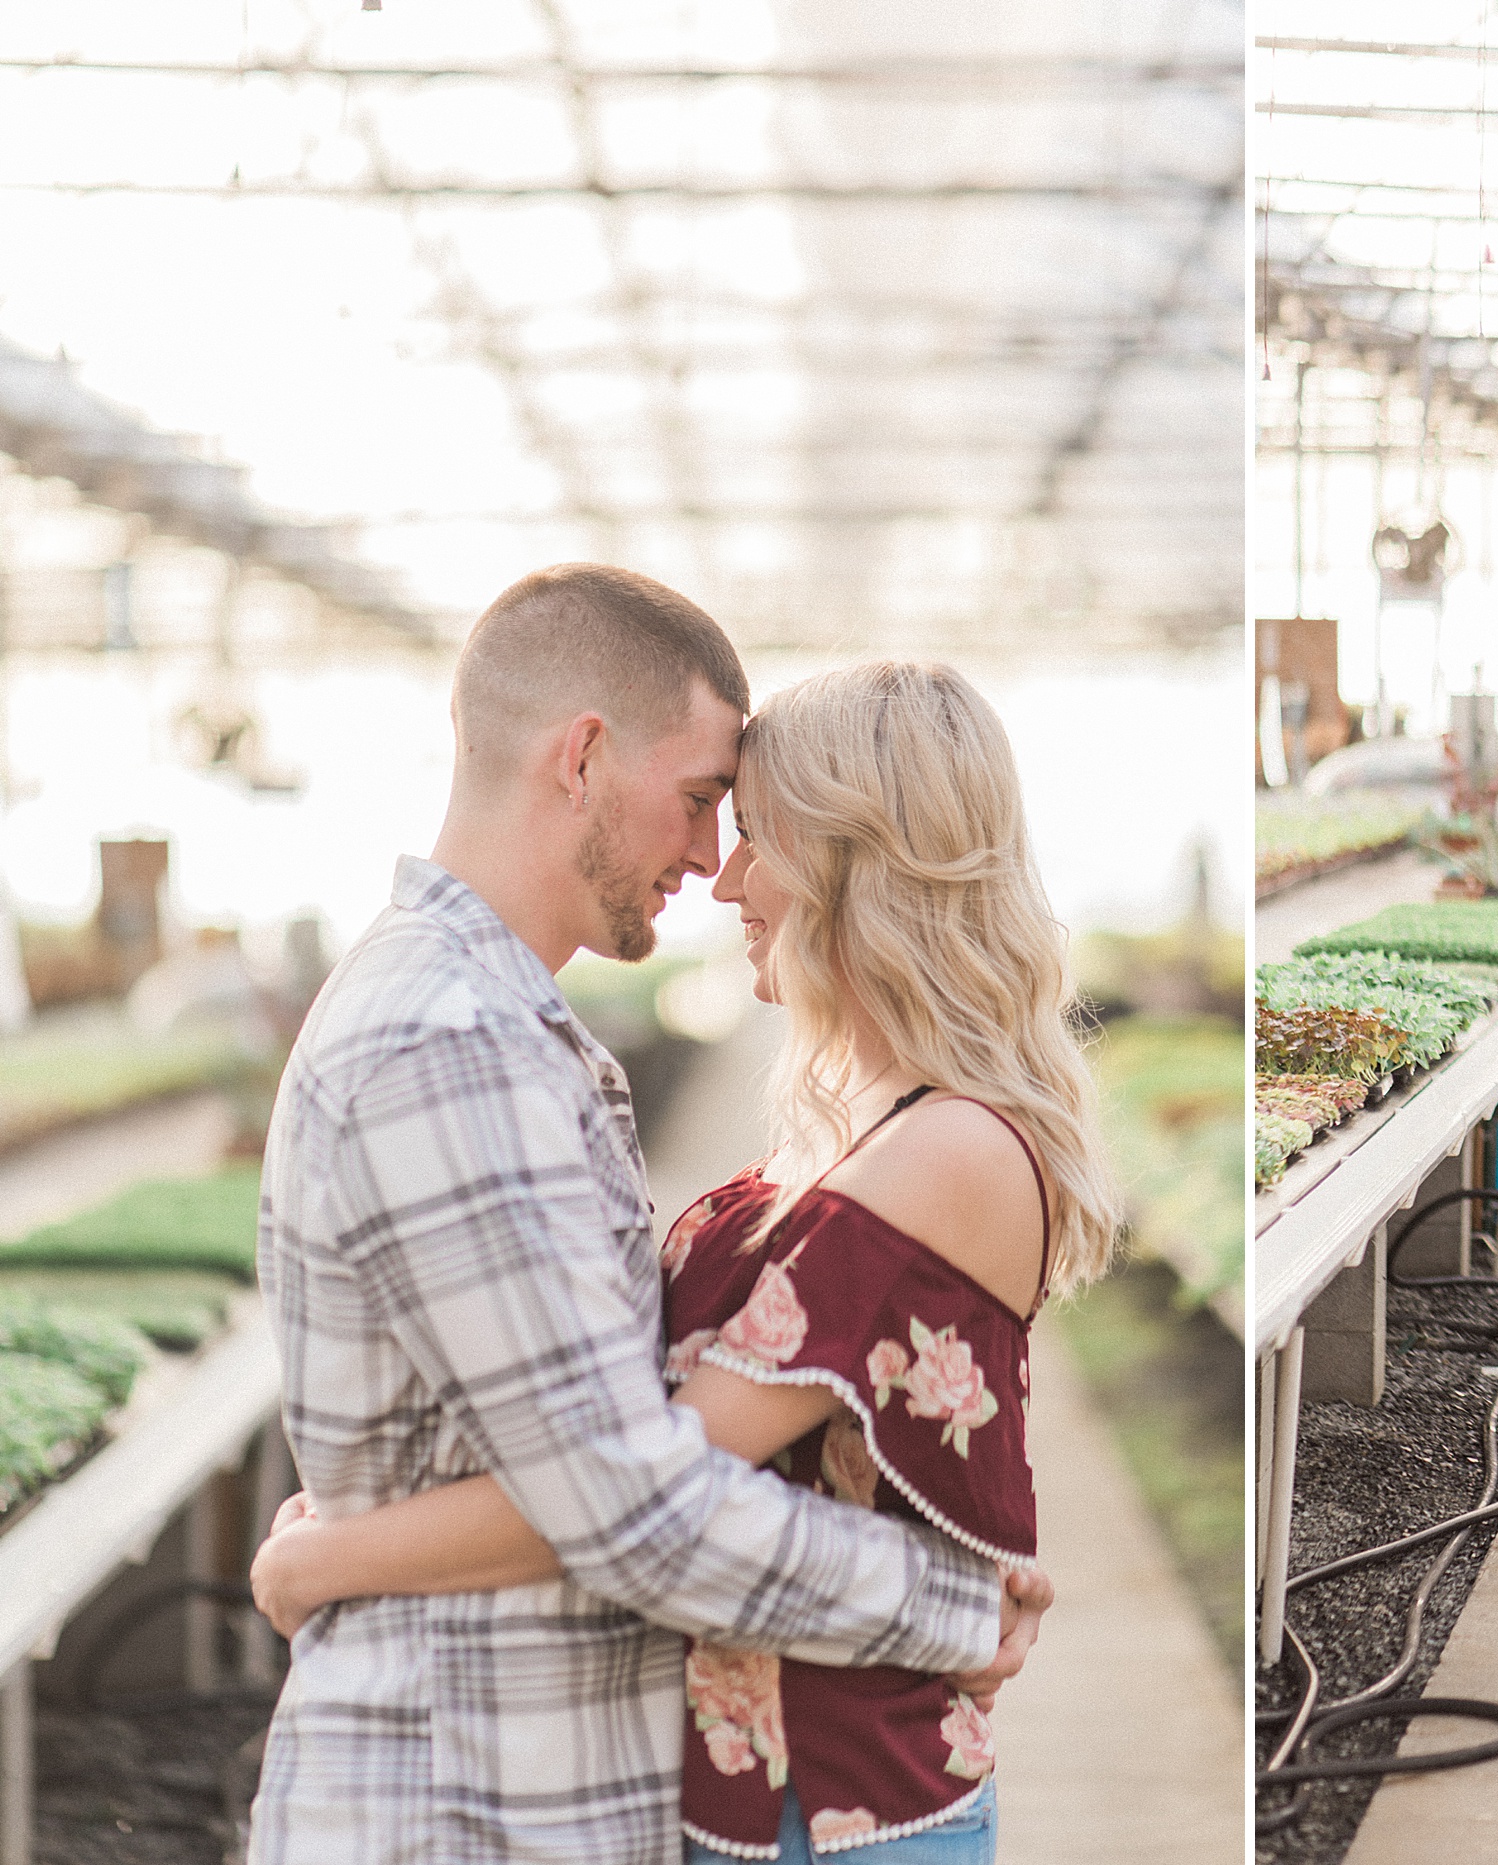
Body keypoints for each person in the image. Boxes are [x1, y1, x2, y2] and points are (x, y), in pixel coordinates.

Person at [249, 572, 1050, 1865]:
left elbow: (604, 1468)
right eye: (697, 804)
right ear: (581, 757)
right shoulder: (450, 1043)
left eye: (746, 827)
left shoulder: (504, 1031)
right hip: (456, 1798)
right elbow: (631, 1504)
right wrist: (959, 1606)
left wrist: (333, 1553)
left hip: (536, 1791)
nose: (709, 860)